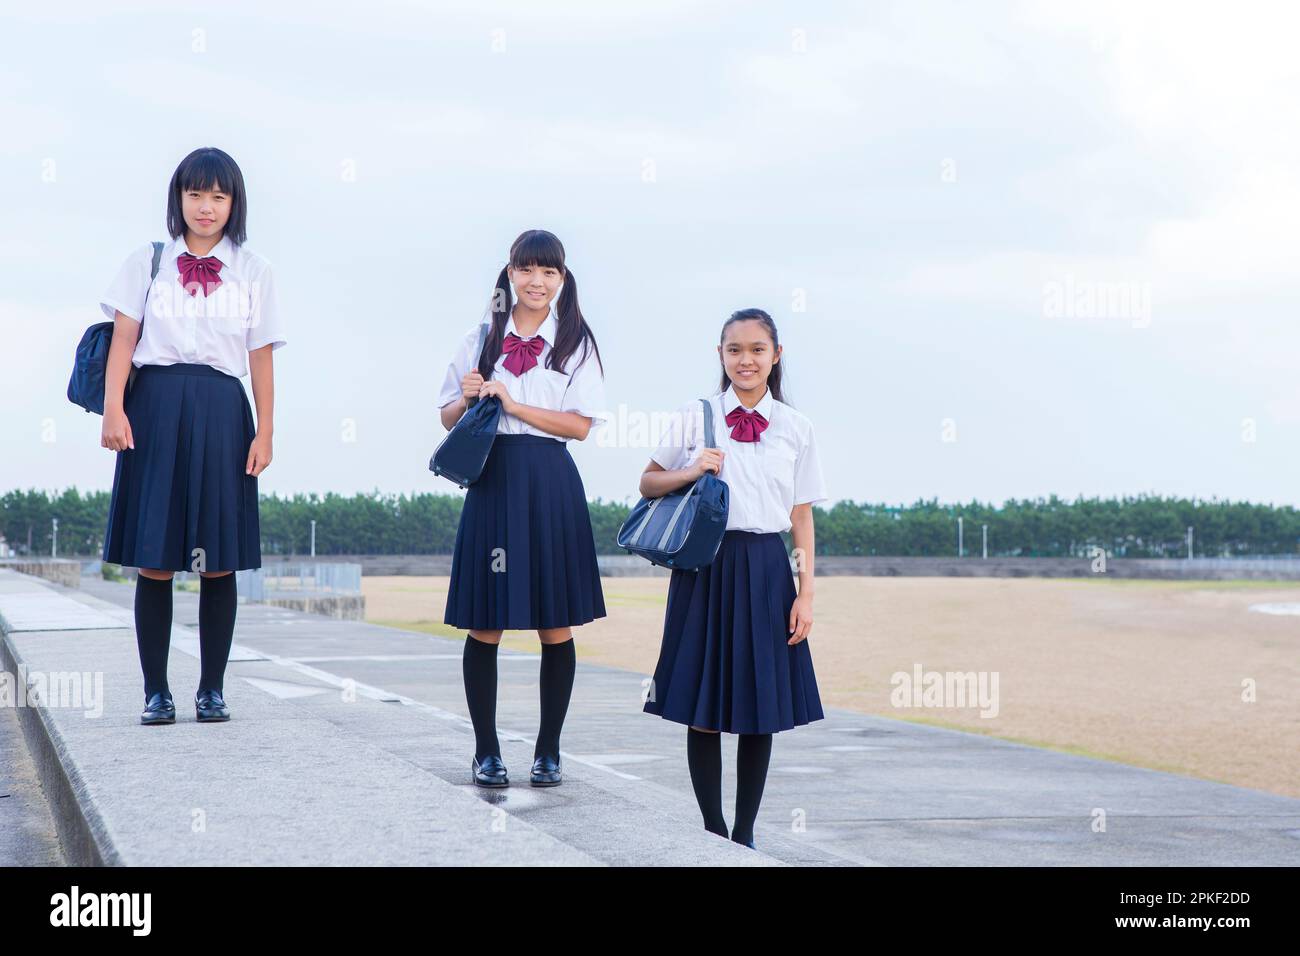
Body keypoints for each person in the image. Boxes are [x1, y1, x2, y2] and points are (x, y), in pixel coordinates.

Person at [99, 146, 286, 725]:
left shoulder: (255, 270)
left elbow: (260, 358)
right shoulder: (147, 262)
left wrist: (267, 432)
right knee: (154, 558)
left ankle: (212, 689)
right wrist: (112, 410)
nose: (206, 207)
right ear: (178, 198)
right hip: (153, 406)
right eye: (195, 194)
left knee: (218, 560)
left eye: (219, 196)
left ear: (235, 204)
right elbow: (123, 341)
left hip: (224, 411)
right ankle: (156, 691)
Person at [640, 308, 826, 848]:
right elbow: (649, 482)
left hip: (768, 568)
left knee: (758, 707)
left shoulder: (797, 428)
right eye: (734, 350)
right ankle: (711, 827)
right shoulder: (696, 416)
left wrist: (806, 592)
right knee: (703, 702)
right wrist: (692, 468)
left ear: (776, 356)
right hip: (705, 567)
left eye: (757, 350)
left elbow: (801, 518)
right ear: (719, 356)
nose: (746, 360)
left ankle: (744, 834)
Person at [436, 229, 607, 788]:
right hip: (492, 479)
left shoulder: (577, 343)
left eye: (550, 271)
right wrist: (467, 396)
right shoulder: (479, 337)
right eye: (527, 269)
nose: (538, 281)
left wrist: (515, 402)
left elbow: (579, 427)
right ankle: (486, 751)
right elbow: (445, 419)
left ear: (562, 279)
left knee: (554, 625)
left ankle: (548, 752)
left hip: (550, 480)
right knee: (485, 622)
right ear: (509, 273)